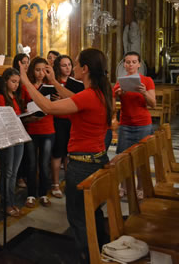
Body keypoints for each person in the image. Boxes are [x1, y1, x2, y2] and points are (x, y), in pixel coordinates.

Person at [19, 48, 113, 262]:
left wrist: (24, 78)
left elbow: (47, 106)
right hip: (97, 160)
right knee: (94, 213)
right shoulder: (100, 92)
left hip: (81, 166)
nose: (75, 68)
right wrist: (55, 81)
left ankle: (89, 257)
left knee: (78, 217)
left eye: (77, 64)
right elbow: (75, 99)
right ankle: (100, 251)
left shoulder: (90, 95)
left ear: (86, 69)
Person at [113, 51, 155, 198]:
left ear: (139, 64)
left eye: (133, 62)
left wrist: (144, 93)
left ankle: (141, 187)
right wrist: (118, 95)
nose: (130, 64)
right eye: (127, 62)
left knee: (141, 158)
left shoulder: (147, 80)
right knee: (124, 158)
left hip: (143, 124)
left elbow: (153, 104)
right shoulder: (120, 82)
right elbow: (113, 106)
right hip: (126, 124)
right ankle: (123, 186)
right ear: (124, 64)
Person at [22, 57, 55, 208]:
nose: (41, 73)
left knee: (44, 164)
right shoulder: (27, 86)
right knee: (31, 163)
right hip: (31, 128)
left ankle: (43, 193)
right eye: (37, 70)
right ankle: (30, 194)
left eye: (44, 70)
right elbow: (22, 106)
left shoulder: (51, 86)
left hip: (47, 128)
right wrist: (27, 113)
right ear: (32, 71)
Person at [0, 68, 25, 217]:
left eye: (18, 82)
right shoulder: (1, 97)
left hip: (18, 135)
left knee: (14, 172)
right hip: (7, 138)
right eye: (13, 82)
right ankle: (5, 203)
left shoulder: (16, 97)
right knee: (7, 172)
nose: (16, 85)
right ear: (5, 81)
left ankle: (12, 201)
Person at [50, 55, 75, 198]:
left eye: (69, 65)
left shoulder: (75, 82)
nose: (67, 68)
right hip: (58, 120)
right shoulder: (55, 83)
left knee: (69, 153)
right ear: (58, 67)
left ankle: (68, 181)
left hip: (72, 120)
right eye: (64, 65)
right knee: (58, 152)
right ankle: (55, 183)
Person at [12, 53, 30, 189]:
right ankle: (18, 177)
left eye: (27, 62)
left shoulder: (28, 78)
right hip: (16, 118)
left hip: (25, 115)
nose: (26, 65)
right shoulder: (14, 77)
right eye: (24, 62)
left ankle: (23, 175)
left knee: (25, 153)